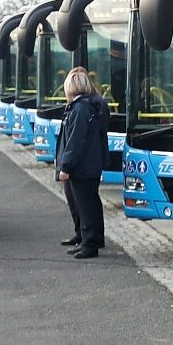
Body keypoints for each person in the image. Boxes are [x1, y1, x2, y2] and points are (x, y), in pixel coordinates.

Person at [55, 68, 109, 259]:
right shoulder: (87, 106)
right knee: (87, 203)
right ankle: (88, 238)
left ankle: (89, 242)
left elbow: (75, 141)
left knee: (84, 204)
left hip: (82, 167)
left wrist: (66, 165)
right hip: (88, 164)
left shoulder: (79, 108)